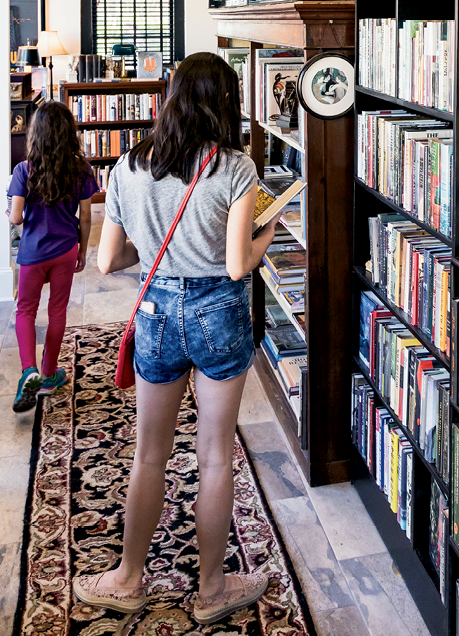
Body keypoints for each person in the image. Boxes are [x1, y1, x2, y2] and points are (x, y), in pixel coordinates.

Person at [72, 52, 280, 624]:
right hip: (219, 313)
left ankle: (127, 576)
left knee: (148, 453)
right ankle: (211, 589)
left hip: (157, 312)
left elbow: (110, 259)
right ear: (227, 102)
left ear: (170, 98)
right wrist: (269, 232)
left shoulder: (128, 167)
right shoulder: (236, 167)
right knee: (214, 458)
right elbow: (238, 265)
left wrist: (165, 248)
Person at [7, 100, 97, 413]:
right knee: (57, 309)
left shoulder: (23, 170)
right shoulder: (81, 169)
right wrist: (83, 249)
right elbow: (86, 215)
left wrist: (10, 212)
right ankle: (49, 374)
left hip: (33, 253)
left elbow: (16, 218)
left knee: (26, 310)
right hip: (65, 250)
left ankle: (28, 370)